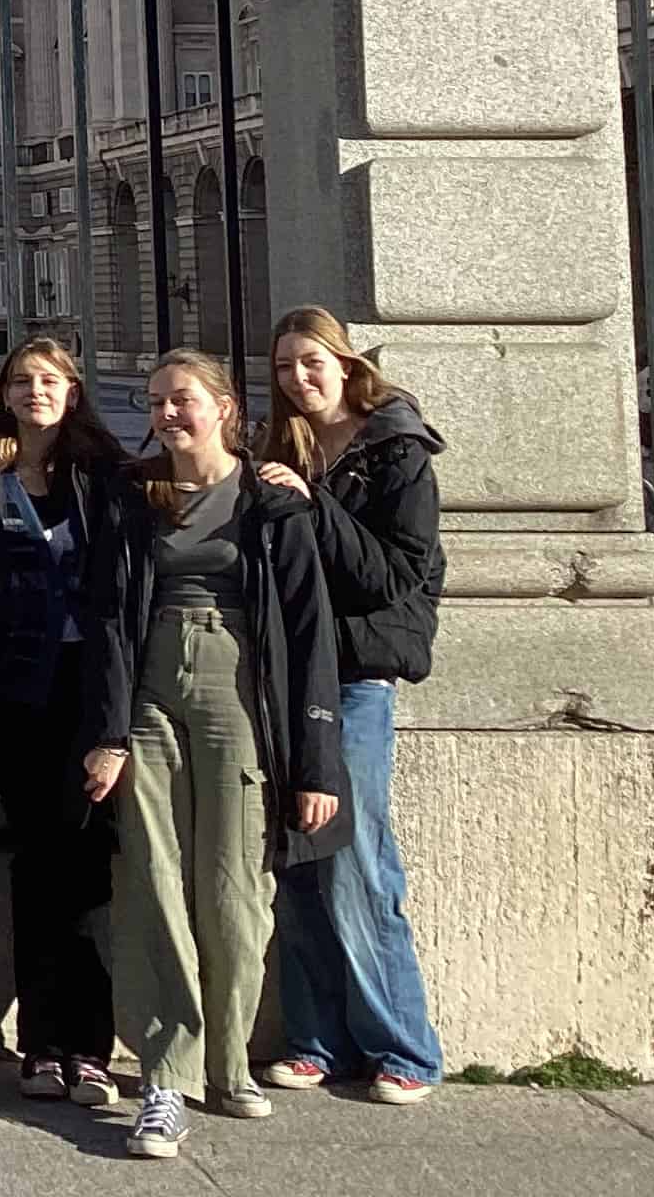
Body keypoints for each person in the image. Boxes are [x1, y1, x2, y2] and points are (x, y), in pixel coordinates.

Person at [82, 346, 346, 1162]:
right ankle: (166, 1074)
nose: (167, 415)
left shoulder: (271, 501)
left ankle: (229, 1064)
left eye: (183, 400)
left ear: (225, 409)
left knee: (236, 889)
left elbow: (310, 634)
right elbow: (105, 622)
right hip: (152, 686)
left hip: (243, 691)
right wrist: (107, 732)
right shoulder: (133, 498)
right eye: (157, 402)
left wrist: (317, 762)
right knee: (153, 880)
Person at [255, 308, 446, 1106]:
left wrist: (310, 504)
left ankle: (403, 1046)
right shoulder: (286, 447)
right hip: (291, 671)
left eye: (311, 363)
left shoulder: (397, 452)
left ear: (345, 363)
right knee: (299, 862)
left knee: (359, 863)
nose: (299, 379)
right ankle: (316, 1039)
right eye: (286, 368)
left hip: (359, 673)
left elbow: (388, 576)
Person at [0, 337, 127, 1109]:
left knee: (86, 867)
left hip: (85, 692)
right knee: (34, 865)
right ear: (4, 391)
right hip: (16, 691)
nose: (35, 392)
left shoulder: (103, 472)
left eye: (49, 380)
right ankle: (39, 1046)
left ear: (72, 390)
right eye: (22, 381)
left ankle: (88, 1044)